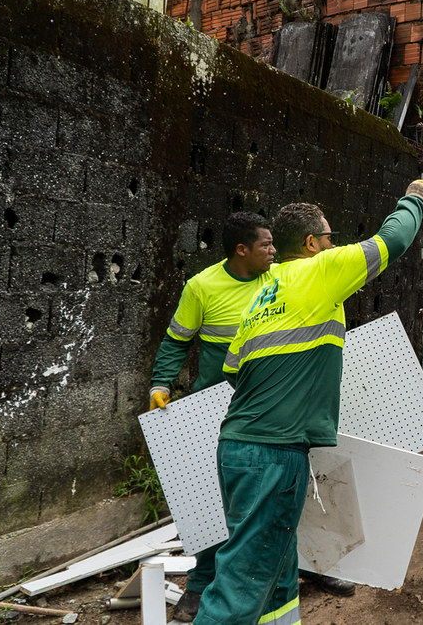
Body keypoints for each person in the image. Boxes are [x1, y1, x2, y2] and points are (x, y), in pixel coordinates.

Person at [193, 179, 423, 625]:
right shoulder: (322, 270)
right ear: (311, 244)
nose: (333, 245)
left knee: (279, 576)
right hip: (273, 455)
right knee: (241, 587)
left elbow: (232, 371)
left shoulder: (260, 298)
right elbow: (394, 239)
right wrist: (416, 196)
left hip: (239, 451)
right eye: (329, 238)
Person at [148, 211, 277, 622]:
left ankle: (306, 567)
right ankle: (202, 582)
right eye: (266, 245)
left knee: (276, 494)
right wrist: (159, 385)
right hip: (215, 409)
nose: (274, 252)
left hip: (269, 404)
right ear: (242, 250)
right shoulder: (201, 286)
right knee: (208, 500)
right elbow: (175, 341)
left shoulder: (279, 280)